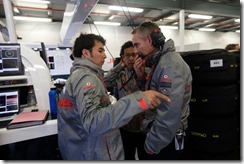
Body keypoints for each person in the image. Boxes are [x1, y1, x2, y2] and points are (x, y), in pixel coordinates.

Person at [57, 33, 171, 160]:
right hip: (98, 146)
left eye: (135, 54)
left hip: (137, 128)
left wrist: (141, 76)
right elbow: (93, 121)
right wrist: (139, 99)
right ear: (86, 53)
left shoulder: (78, 77)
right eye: (100, 50)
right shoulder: (88, 77)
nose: (105, 55)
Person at [131, 20, 192, 160]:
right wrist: (141, 77)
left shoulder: (170, 65)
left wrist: (152, 144)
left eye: (137, 45)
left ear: (149, 39)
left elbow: (169, 113)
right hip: (162, 134)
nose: (135, 51)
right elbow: (155, 96)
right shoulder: (161, 61)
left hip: (166, 138)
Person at [104, 41, 148, 160]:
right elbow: (105, 82)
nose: (131, 58)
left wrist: (141, 75)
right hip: (125, 126)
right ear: (122, 57)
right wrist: (120, 65)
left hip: (143, 128)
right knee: (127, 157)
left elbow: (148, 93)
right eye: (127, 55)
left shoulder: (147, 72)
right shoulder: (120, 74)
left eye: (134, 55)